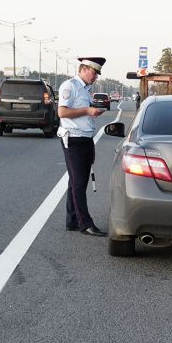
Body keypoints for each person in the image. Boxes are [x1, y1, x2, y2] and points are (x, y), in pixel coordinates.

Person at [57, 57, 107, 236]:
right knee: (79, 183)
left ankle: (72, 220)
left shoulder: (85, 89)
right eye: (94, 72)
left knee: (76, 182)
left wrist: (91, 112)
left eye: (97, 74)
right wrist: (87, 111)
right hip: (73, 139)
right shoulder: (70, 86)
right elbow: (62, 112)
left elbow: (79, 112)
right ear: (84, 69)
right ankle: (85, 223)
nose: (95, 77)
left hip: (84, 138)